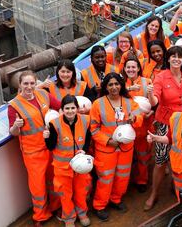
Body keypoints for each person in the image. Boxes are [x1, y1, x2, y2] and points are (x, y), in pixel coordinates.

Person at [144, 46, 182, 210]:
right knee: (160, 161)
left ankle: (179, 189)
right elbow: (154, 102)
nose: (176, 59)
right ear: (168, 59)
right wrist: (150, 94)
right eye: (172, 56)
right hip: (165, 123)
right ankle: (154, 193)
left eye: (179, 56)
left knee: (181, 159)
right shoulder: (160, 77)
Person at [8, 71, 61, 226]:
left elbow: (60, 107)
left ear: (36, 83)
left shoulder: (43, 95)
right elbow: (13, 133)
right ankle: (41, 215)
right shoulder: (14, 106)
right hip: (33, 152)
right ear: (20, 85)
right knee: (37, 186)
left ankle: (56, 206)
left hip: (50, 147)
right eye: (26, 84)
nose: (29, 87)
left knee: (54, 180)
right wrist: (16, 127)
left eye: (32, 83)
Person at [90, 72, 143, 221]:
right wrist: (108, 141)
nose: (114, 87)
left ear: (121, 85)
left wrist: (135, 118)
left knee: (122, 177)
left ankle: (116, 199)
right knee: (105, 178)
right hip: (106, 149)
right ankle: (99, 206)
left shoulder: (129, 101)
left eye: (116, 84)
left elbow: (139, 118)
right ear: (106, 87)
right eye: (110, 84)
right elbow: (94, 129)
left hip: (126, 148)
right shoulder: (97, 104)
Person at [43, 95, 92, 227]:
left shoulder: (86, 120)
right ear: (62, 109)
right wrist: (47, 138)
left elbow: (88, 138)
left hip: (80, 166)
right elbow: (51, 147)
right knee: (65, 195)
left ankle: (82, 214)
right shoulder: (55, 124)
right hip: (62, 168)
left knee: (81, 192)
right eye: (67, 108)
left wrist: (85, 150)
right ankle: (69, 218)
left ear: (77, 108)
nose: (70, 111)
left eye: (72, 108)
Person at [122, 57, 154, 193]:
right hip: (127, 126)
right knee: (126, 157)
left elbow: (155, 103)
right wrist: (128, 88)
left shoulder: (147, 83)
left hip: (144, 127)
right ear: (124, 69)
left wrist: (150, 112)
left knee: (142, 156)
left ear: (139, 68)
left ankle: (142, 180)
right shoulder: (120, 84)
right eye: (128, 67)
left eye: (133, 67)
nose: (131, 70)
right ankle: (126, 183)